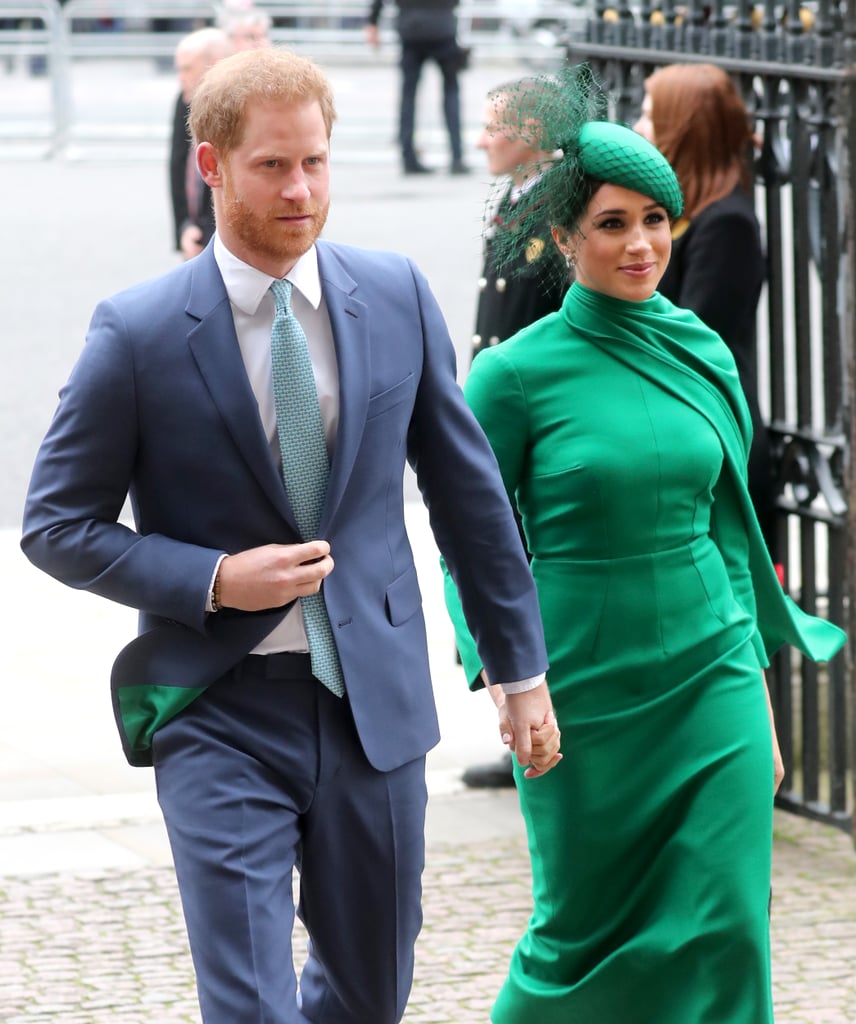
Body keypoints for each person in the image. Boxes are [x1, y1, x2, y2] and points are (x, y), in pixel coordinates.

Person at [21, 47, 561, 1024]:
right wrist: (218, 576)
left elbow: (470, 497)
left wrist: (519, 673)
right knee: (249, 1005)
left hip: (374, 711)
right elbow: (55, 524)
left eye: (314, 162)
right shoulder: (137, 332)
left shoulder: (392, 293)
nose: (300, 188)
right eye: (272, 165)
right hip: (216, 708)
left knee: (367, 996)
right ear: (211, 165)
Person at [443, 65, 846, 1023]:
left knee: (730, 921)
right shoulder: (516, 375)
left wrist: (756, 692)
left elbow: (728, 525)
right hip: (581, 682)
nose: (641, 244)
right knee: (578, 937)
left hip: (711, 675)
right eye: (613, 223)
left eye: (656, 220)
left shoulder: (701, 349)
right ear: (563, 237)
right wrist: (504, 672)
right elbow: (470, 534)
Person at [462, 75, 570, 790]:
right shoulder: (514, 198)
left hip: (533, 410)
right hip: (500, 400)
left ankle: (533, 724)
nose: (481, 141)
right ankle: (519, 721)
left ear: (532, 132)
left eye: (495, 127)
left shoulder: (553, 205)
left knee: (519, 563)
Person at [634, 63, 777, 561]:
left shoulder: (727, 224)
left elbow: (693, 339)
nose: (638, 128)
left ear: (683, 128)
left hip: (713, 440)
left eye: (651, 116)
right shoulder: (681, 213)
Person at [365, 0, 470, 175]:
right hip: (442, 27)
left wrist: (373, 22)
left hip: (411, 28)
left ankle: (408, 157)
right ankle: (457, 157)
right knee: (451, 92)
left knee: (408, 97)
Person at [168, 27, 233, 261]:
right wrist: (184, 227)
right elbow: (177, 166)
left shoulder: (241, 108)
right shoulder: (184, 99)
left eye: (187, 69)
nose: (181, 77)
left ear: (213, 65)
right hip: (195, 235)